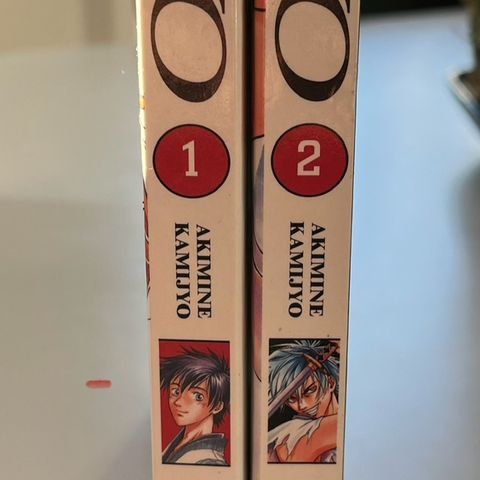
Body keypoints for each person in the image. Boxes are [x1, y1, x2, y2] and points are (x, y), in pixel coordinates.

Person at [268, 339, 339, 463]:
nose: (302, 405)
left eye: (310, 390)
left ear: (331, 383)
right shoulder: (296, 431)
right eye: (291, 398)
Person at [160, 348, 230, 465]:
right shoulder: (177, 444)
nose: (178, 402)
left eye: (198, 396)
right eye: (176, 391)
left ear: (217, 407)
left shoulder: (210, 461)